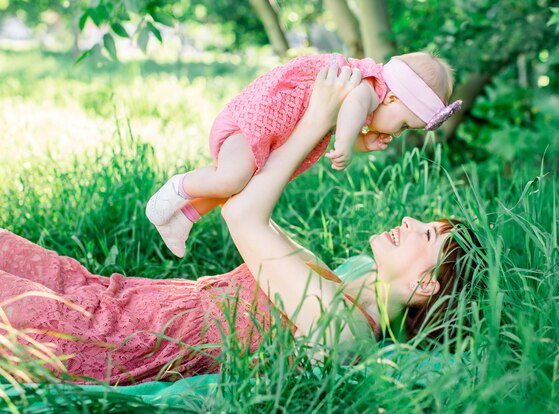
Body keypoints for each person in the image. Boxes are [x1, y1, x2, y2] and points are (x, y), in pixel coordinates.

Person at [0, 65, 476, 386]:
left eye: (428, 234)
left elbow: (242, 215)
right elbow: (247, 199)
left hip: (109, 338)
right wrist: (330, 123)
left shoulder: (341, 327)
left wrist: (315, 123)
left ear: (426, 284)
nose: (411, 221)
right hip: (114, 296)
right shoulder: (338, 288)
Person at [146, 52, 463, 257]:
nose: (396, 134)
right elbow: (350, 109)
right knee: (232, 178)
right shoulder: (368, 86)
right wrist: (347, 143)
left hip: (270, 134)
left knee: (241, 187)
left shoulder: (371, 96)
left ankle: (184, 217)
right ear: (393, 98)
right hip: (251, 123)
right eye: (405, 125)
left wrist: (361, 143)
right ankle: (176, 189)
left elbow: (339, 120)